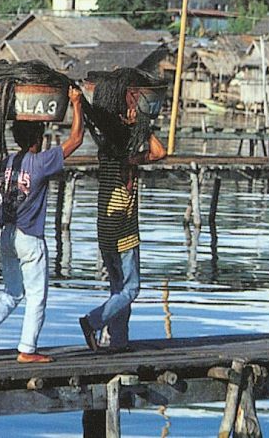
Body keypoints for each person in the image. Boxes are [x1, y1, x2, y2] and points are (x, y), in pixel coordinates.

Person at [0, 86, 84, 364]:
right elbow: (76, 139)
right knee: (36, 296)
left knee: (13, 291)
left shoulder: (6, 162)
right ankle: (27, 350)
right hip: (29, 237)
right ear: (38, 138)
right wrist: (76, 104)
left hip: (6, 234)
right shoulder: (41, 162)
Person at [79, 104, 166, 353]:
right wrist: (143, 127)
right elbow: (159, 152)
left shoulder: (105, 155)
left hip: (105, 233)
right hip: (124, 235)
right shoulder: (126, 161)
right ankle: (93, 321)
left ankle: (119, 341)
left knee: (118, 289)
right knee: (131, 289)